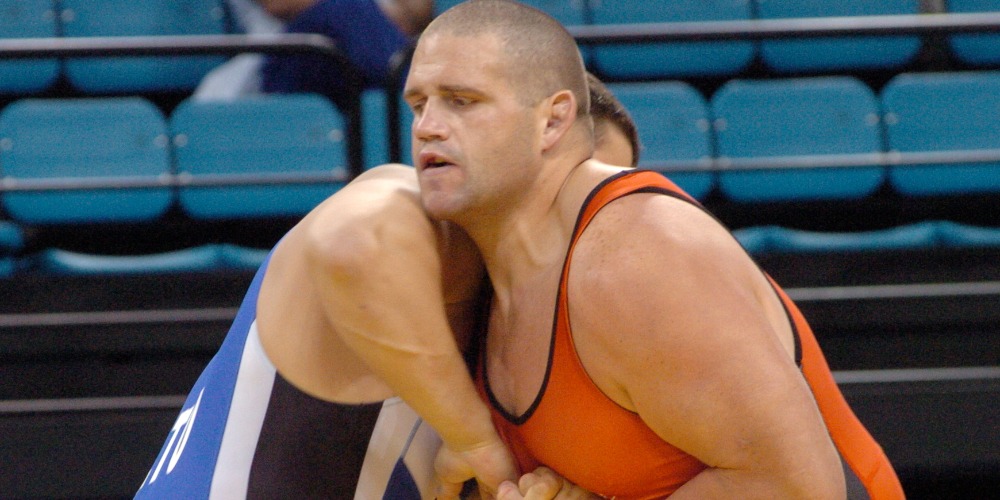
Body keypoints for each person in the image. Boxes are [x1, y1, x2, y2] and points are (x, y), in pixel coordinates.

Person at [404, 1, 904, 499]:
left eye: (461, 101)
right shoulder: (474, 261)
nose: (427, 126)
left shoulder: (635, 257)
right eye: (418, 104)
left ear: (552, 121)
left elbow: (799, 489)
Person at [135, 75, 639, 498]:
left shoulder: (525, 334)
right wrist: (476, 440)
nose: (587, 223)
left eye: (606, 201)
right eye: (573, 187)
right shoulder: (410, 210)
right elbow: (355, 246)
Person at [195, 0, 431, 107]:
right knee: (342, 9)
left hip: (354, 54)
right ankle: (423, 96)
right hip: (280, 53)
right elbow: (278, 4)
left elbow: (416, 13)